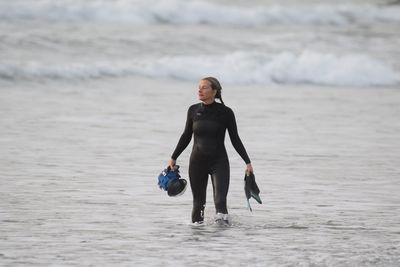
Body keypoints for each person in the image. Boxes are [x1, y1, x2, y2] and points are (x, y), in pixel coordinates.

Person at [168, 77, 253, 224]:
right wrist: (173, 157)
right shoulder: (193, 110)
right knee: (198, 204)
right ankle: (197, 237)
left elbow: (235, 139)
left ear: (214, 91)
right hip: (197, 162)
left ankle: (221, 242)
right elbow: (186, 136)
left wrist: (247, 162)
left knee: (220, 202)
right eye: (199, 87)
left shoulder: (226, 113)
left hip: (219, 162)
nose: (200, 90)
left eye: (204, 87)